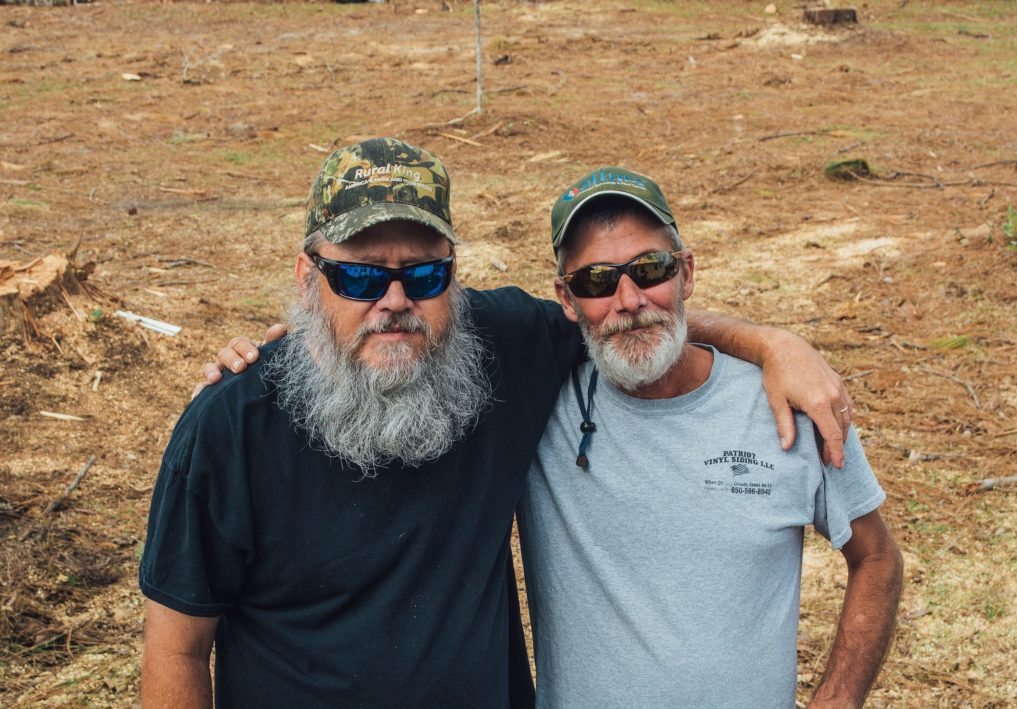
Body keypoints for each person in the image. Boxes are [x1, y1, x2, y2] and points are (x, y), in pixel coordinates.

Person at [158, 137, 853, 707]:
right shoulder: (229, 430)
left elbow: (623, 311)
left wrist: (768, 342)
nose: (395, 300)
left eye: (425, 276)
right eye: (362, 278)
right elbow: (175, 652)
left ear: (453, 279)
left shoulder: (499, 347)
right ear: (311, 280)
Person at [515, 168, 903, 707]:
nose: (628, 300)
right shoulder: (532, 403)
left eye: (650, 270)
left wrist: (837, 699)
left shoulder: (788, 403)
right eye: (597, 281)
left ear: (687, 273)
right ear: (566, 298)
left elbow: (877, 557)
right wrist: (767, 338)